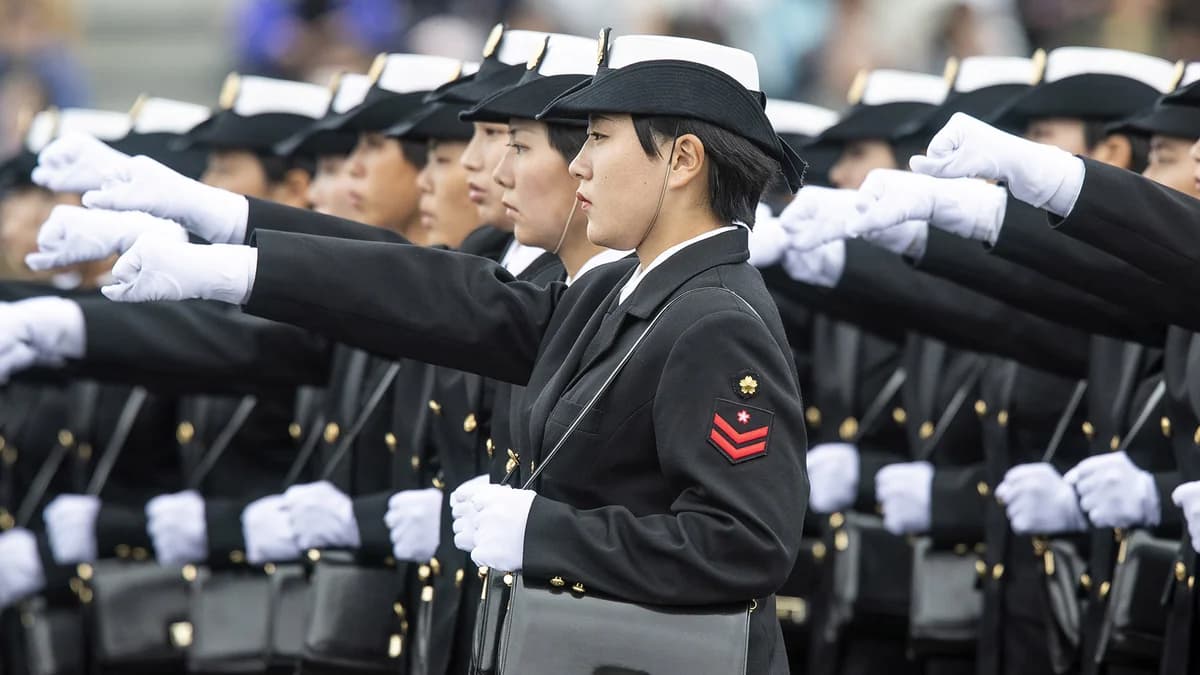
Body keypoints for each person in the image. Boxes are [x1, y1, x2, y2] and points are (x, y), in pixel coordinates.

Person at [71, 31, 811, 674]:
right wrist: (234, 259)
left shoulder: (715, 316)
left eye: (600, 136)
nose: (579, 165)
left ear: (681, 159)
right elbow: (445, 297)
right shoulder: (620, 291)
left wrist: (544, 532)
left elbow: (744, 541)